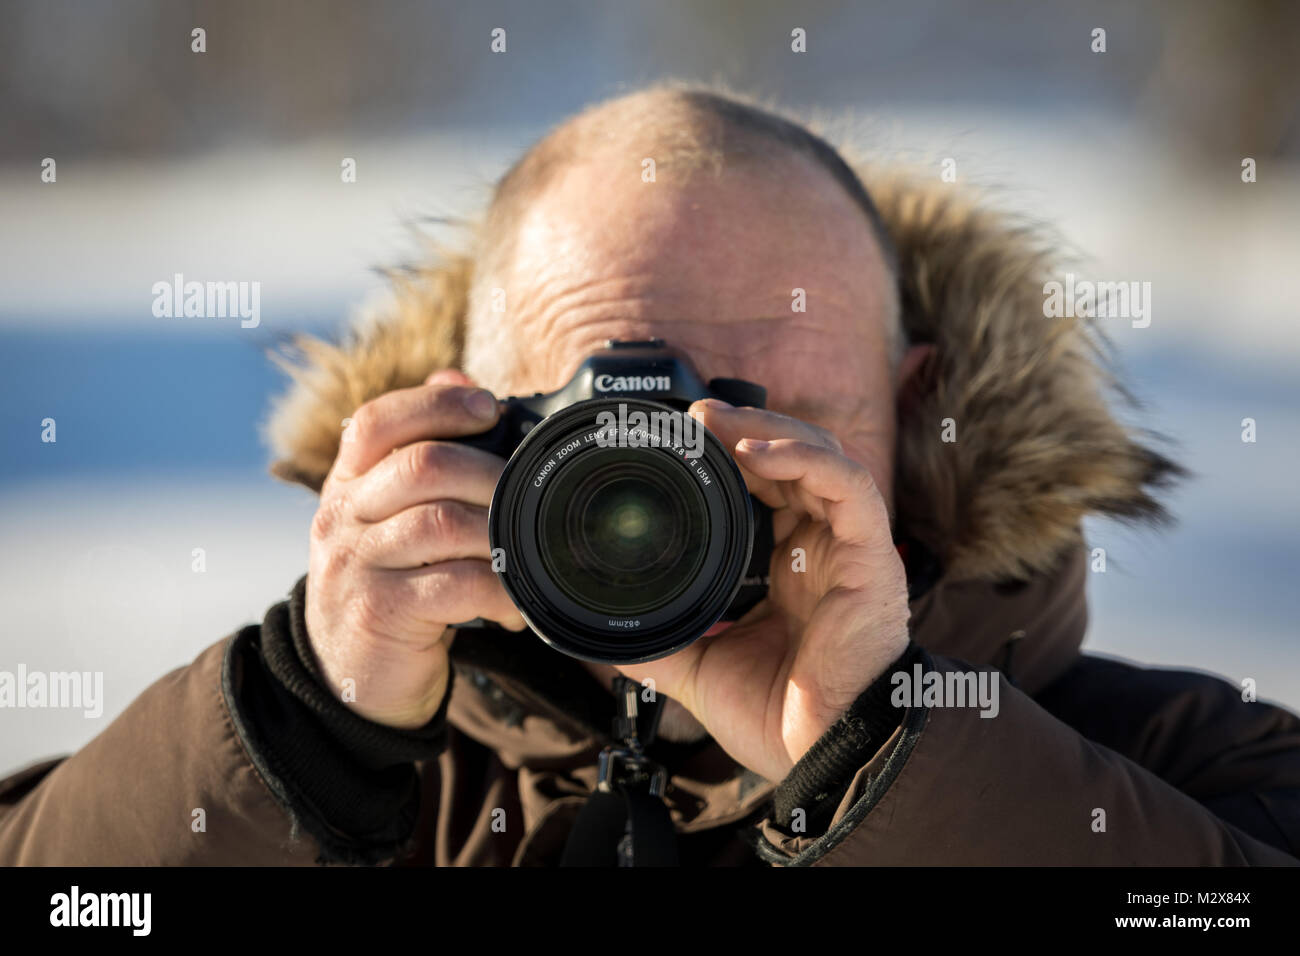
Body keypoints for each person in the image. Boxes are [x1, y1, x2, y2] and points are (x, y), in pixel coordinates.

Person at [3, 87, 1297, 866]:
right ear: (465, 412)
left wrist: (885, 756)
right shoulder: (337, 758)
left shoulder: (1187, 780)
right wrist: (297, 733)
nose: (680, 483)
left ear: (914, 418)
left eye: (768, 419)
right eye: (595, 416)